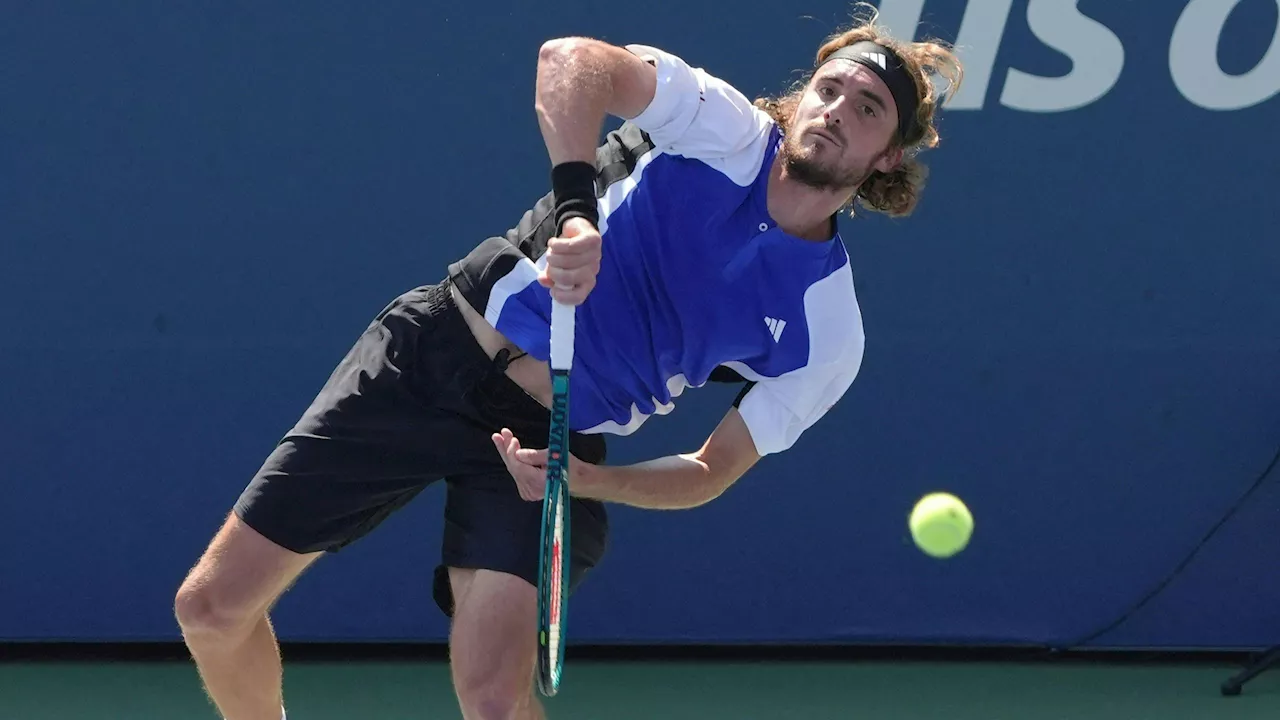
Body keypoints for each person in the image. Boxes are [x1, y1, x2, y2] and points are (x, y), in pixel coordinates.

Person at [174, 6, 963, 720]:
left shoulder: (829, 329)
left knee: (492, 700)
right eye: (829, 88)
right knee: (210, 609)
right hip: (439, 353)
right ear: (800, 95)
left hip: (547, 441)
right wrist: (578, 212)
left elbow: (710, 470)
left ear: (888, 159)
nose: (836, 112)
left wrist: (585, 480)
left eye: (867, 111)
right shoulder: (720, 129)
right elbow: (570, 59)